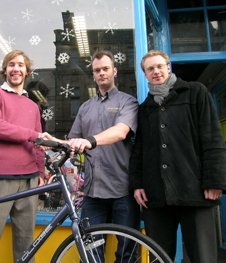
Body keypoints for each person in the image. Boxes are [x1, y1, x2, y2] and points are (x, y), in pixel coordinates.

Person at [129, 50, 226, 262]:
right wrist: (137, 184)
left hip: (195, 191)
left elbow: (212, 138)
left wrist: (215, 180)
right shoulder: (145, 108)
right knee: (159, 257)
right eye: (150, 69)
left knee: (203, 256)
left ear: (168, 67)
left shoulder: (195, 92)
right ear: (145, 74)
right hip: (157, 197)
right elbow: (139, 150)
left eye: (159, 66)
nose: (156, 71)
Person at [45, 50, 140, 262]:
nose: (101, 73)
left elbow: (121, 131)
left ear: (114, 71)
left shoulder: (128, 102)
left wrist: (90, 141)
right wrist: (53, 141)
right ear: (94, 74)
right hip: (93, 193)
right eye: (97, 70)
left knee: (127, 253)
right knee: (91, 254)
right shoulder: (85, 108)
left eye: (106, 69)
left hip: (122, 190)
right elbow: (74, 143)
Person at [0, 50, 46, 263]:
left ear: (27, 72)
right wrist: (33, 136)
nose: (16, 69)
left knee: (26, 247)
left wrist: (41, 173)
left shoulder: (33, 106)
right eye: (11, 65)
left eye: (21, 65)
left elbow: (39, 144)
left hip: (29, 180)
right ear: (5, 70)